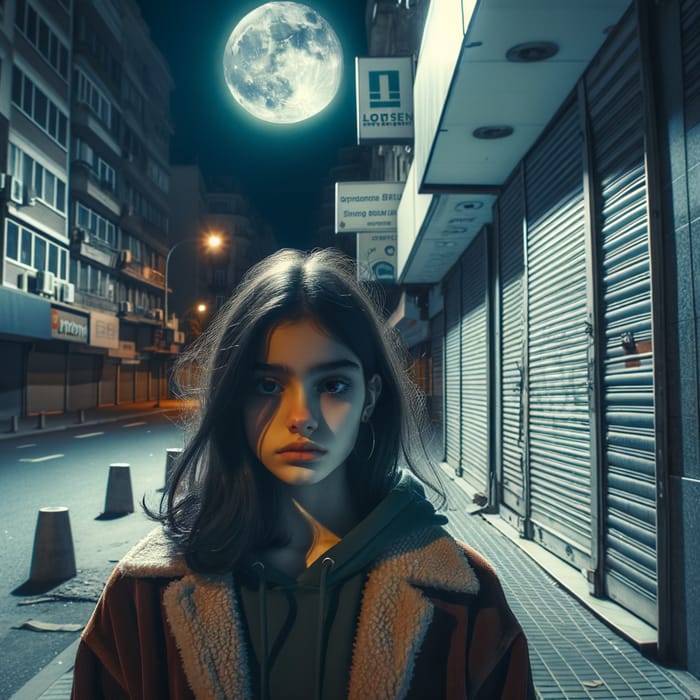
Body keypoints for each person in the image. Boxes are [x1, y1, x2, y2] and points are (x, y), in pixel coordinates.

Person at [72, 248, 534, 699]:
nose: (302, 416)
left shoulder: (466, 595)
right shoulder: (142, 594)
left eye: (332, 385)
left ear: (370, 398)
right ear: (235, 397)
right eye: (268, 385)